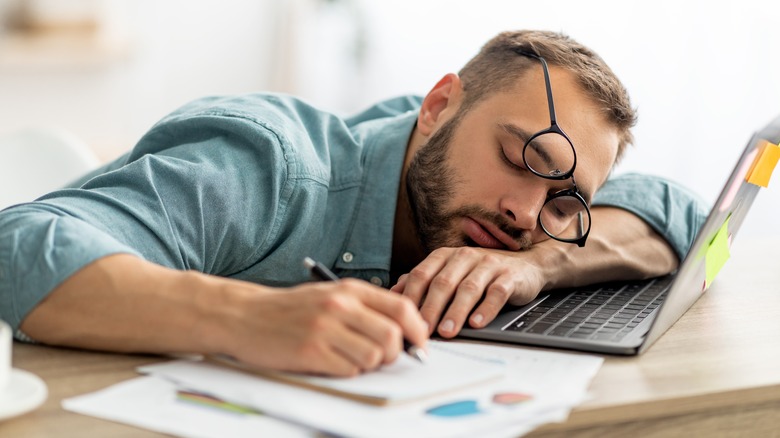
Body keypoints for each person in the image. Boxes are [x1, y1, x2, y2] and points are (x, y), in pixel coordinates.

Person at [0, 30, 706, 377]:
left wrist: (540, 267)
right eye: (523, 157)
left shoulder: (527, 222)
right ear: (436, 108)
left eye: (564, 199)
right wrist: (250, 318)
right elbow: (18, 245)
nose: (526, 212)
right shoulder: (268, 165)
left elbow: (682, 212)